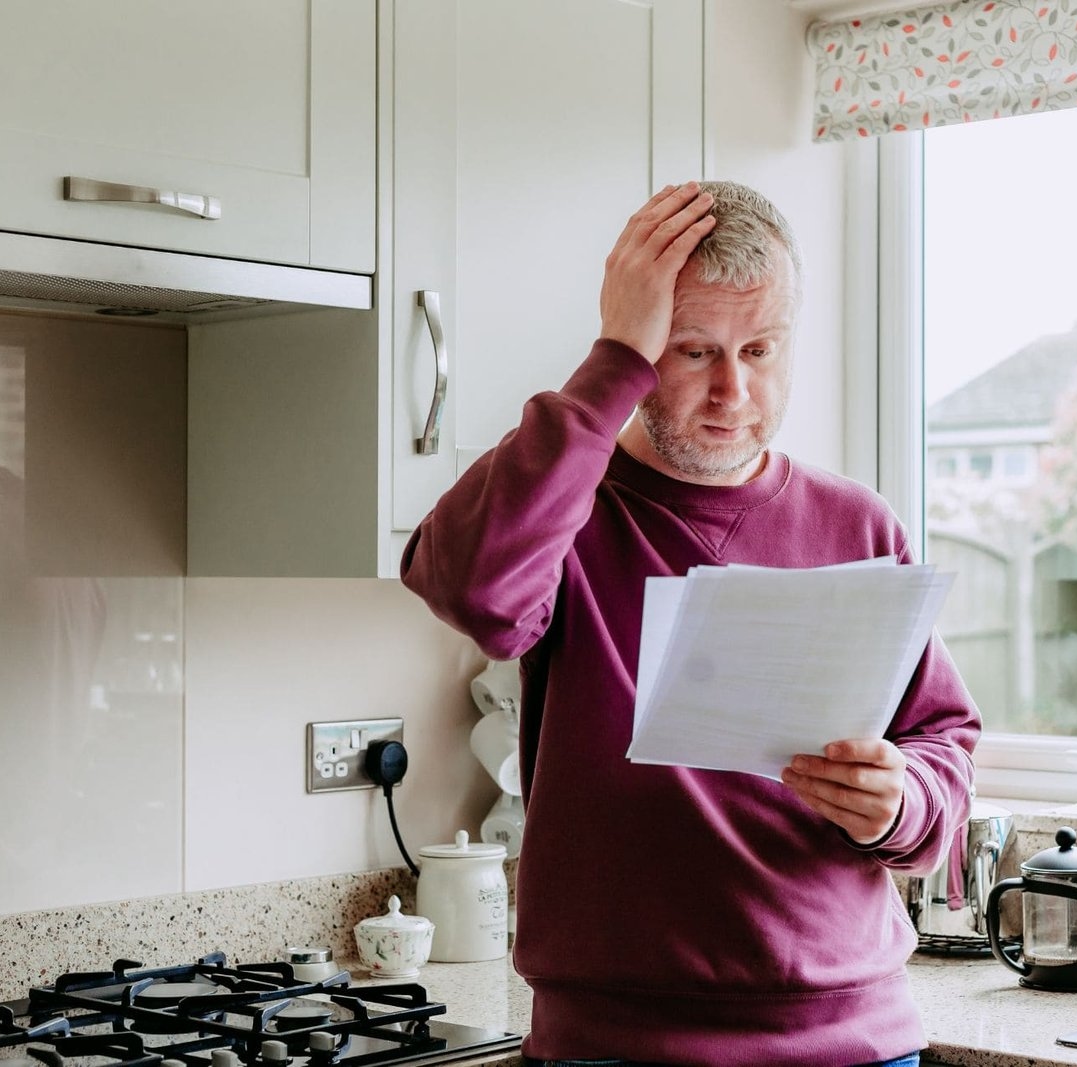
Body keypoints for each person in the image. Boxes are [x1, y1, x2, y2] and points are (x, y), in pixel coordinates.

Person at [401, 180, 980, 1066]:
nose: (732, 391)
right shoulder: (571, 509)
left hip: (854, 1042)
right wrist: (611, 359)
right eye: (692, 350)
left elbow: (942, 741)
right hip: (614, 1046)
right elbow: (474, 589)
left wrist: (901, 802)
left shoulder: (859, 524)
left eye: (761, 348)